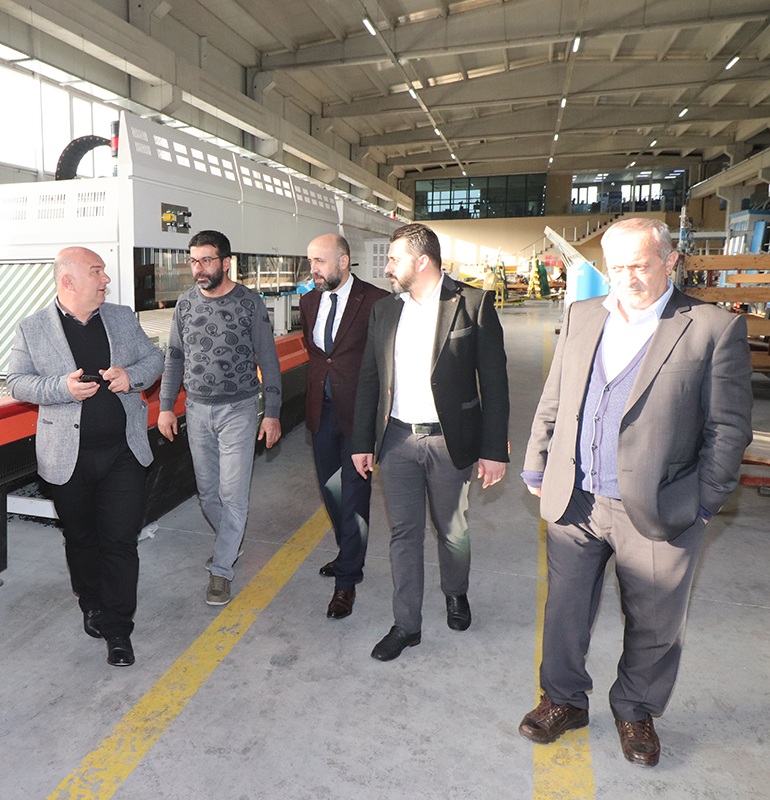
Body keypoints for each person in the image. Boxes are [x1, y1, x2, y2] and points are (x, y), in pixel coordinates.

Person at [518, 218, 752, 767]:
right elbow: (556, 396)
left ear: (670, 262)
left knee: (654, 621)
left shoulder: (712, 327)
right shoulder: (582, 315)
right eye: (617, 267)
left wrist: (703, 501)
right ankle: (563, 699)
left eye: (640, 265)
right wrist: (537, 461)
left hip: (660, 503)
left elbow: (729, 428)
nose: (627, 278)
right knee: (565, 610)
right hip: (576, 498)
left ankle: (635, 709)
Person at [351, 222, 509, 661]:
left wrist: (493, 450)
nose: (387, 268)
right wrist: (363, 441)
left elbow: (495, 384)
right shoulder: (385, 311)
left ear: (422, 262)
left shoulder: (472, 304)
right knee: (404, 533)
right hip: (398, 440)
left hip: (448, 442)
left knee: (452, 530)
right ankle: (407, 625)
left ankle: (455, 591)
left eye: (394, 259)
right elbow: (369, 379)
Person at [7, 247, 164, 667]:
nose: (105, 279)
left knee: (120, 540)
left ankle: (118, 629)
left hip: (122, 452)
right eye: (96, 271)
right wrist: (62, 388)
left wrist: (132, 376)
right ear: (68, 281)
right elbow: (17, 382)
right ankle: (91, 601)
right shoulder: (33, 328)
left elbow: (154, 358)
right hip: (66, 458)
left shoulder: (121, 317)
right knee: (81, 539)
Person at [157, 230, 282, 607]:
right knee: (208, 493)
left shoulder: (249, 302)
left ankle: (222, 569)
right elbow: (174, 356)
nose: (199, 268)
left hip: (239, 410)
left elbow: (268, 359)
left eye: (207, 260)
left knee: (232, 494)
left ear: (226, 262)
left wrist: (272, 413)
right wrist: (166, 405)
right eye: (194, 261)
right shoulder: (185, 303)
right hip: (196, 410)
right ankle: (231, 540)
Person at [300, 233, 389, 619]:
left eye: (319, 261)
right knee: (331, 492)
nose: (313, 269)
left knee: (354, 497)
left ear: (343, 261)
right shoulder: (309, 302)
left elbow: (386, 360)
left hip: (360, 415)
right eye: (310, 261)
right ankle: (347, 552)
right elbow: (319, 356)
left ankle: (347, 581)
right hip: (321, 412)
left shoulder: (376, 301)